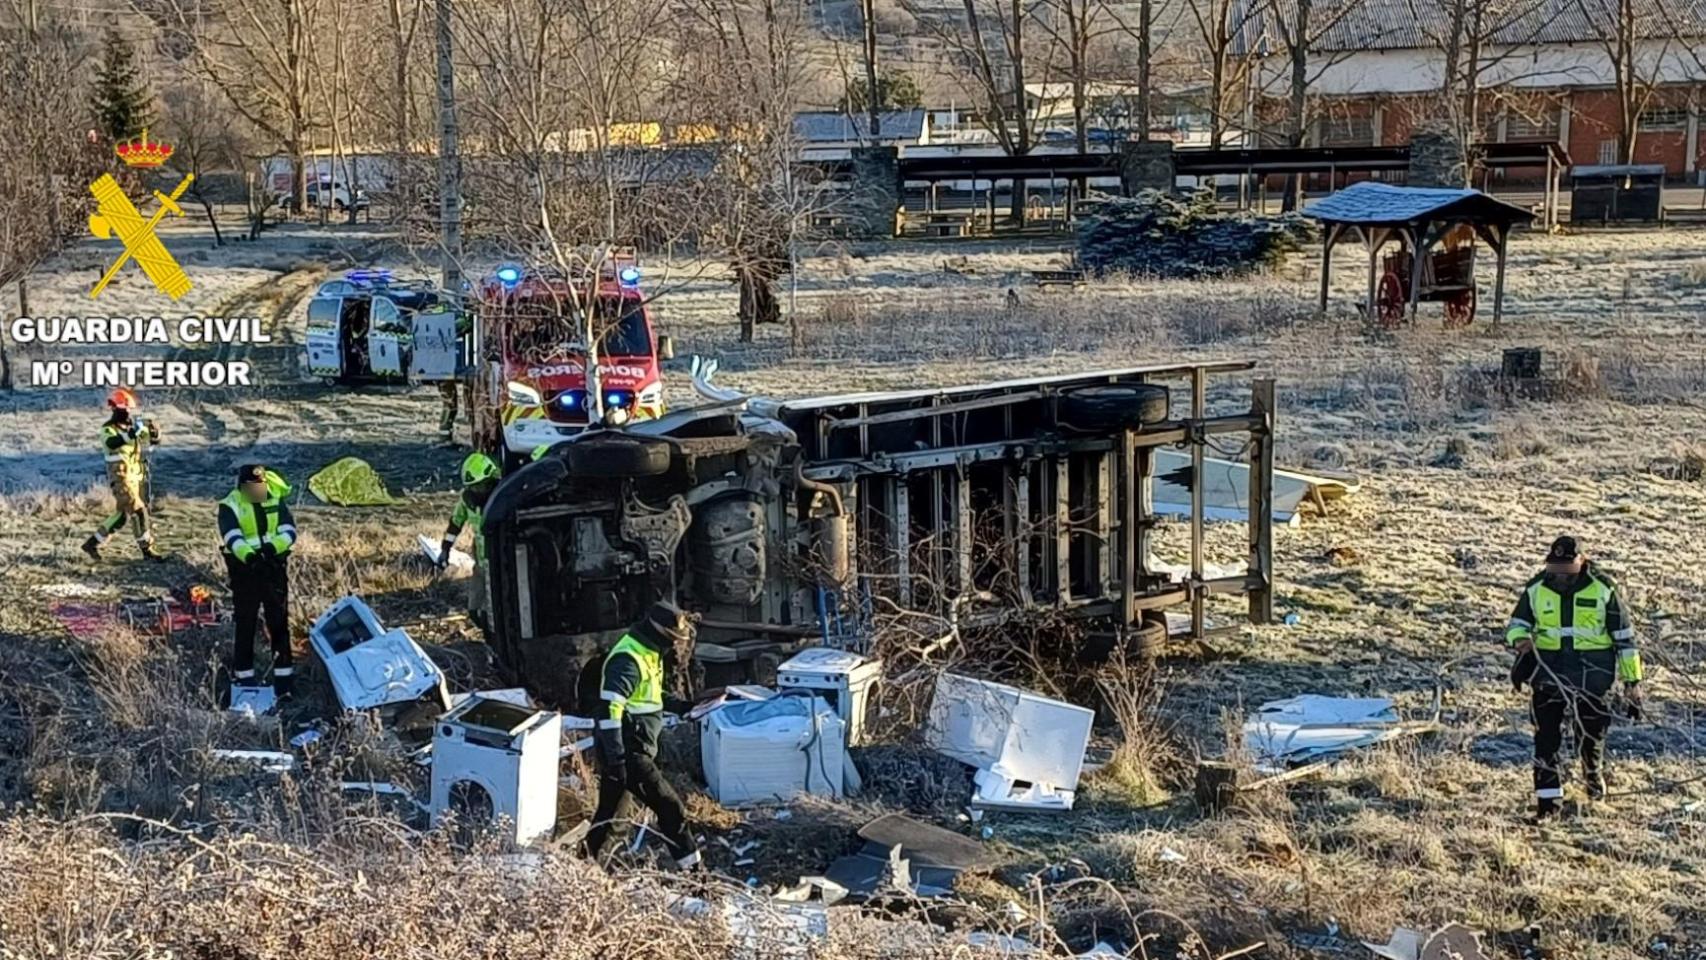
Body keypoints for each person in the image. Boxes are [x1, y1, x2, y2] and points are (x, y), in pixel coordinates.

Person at [1506, 536, 1643, 818]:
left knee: (1591, 736)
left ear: (1582, 561)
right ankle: (1548, 807)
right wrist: (1520, 641)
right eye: (1555, 567)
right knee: (1546, 741)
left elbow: (1625, 641)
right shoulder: (1536, 587)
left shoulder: (1603, 589)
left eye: (1566, 567)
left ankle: (1592, 774)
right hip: (1547, 674)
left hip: (1592, 677)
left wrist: (1633, 684)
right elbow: (1516, 625)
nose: (1559, 573)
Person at [584, 601, 702, 870]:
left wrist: (683, 706)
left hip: (630, 749)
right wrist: (617, 758)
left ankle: (585, 871)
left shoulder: (648, 651)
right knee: (671, 808)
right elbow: (610, 707)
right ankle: (696, 877)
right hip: (629, 751)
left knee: (611, 817)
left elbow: (649, 696)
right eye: (673, 639)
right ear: (659, 632)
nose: (676, 645)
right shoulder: (628, 658)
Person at [218, 465, 298, 698]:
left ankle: (285, 683)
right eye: (252, 488)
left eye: (260, 486)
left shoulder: (274, 498)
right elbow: (232, 536)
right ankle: (244, 679)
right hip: (245, 571)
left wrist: (273, 550)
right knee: (246, 623)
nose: (258, 491)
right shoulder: (230, 505)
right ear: (242, 487)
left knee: (279, 624)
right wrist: (251, 558)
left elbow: (288, 530)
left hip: (274, 567)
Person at [83, 389, 161, 561]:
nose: (128, 414)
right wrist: (132, 433)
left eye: (129, 410)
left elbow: (152, 440)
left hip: (133, 479)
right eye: (125, 410)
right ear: (116, 410)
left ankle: (92, 544)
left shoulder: (132, 428)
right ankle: (147, 549)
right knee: (139, 511)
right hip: (120, 479)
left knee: (121, 517)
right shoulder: (108, 430)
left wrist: (155, 433)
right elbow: (113, 443)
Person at [436, 452, 500, 622]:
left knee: (496, 606)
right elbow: (455, 524)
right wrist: (445, 549)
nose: (476, 491)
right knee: (475, 608)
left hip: (501, 558)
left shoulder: (503, 496)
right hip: (480, 557)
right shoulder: (467, 500)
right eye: (472, 487)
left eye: (480, 486)